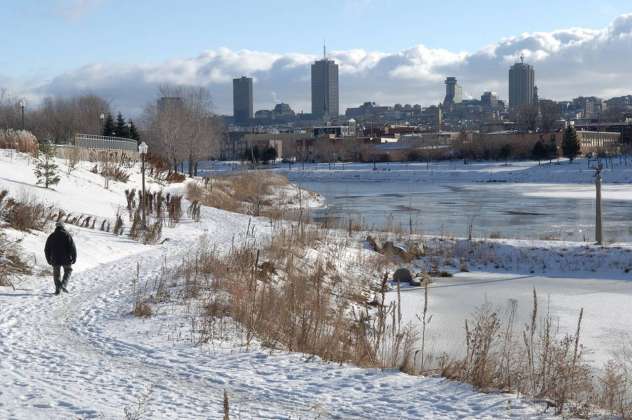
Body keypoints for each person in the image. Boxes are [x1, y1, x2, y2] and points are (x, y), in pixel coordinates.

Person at [44, 221, 77, 295]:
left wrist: (48, 259)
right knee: (68, 270)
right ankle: (63, 285)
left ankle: (58, 289)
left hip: (55, 259)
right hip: (66, 259)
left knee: (56, 274)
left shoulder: (51, 236)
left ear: (56, 227)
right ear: (63, 227)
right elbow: (73, 248)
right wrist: (74, 257)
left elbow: (47, 249)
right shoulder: (67, 235)